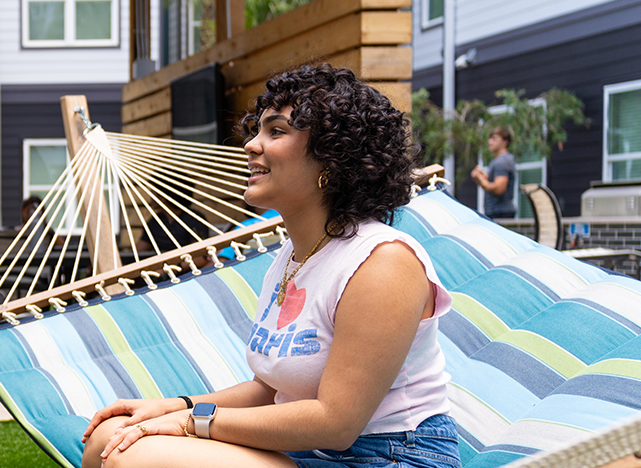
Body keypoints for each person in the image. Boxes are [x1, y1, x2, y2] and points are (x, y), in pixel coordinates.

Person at [80, 65, 458, 468]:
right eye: (257, 131)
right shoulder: (292, 258)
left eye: (275, 132)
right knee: (112, 435)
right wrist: (171, 407)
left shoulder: (383, 263)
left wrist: (190, 422)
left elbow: (336, 423)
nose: (251, 146)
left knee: (138, 458)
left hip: (389, 457)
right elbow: (270, 390)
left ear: (332, 158)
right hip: (310, 451)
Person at [470, 127, 516, 219]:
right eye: (490, 139)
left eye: (494, 139)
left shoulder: (502, 162)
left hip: (501, 214)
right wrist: (481, 178)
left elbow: (499, 189)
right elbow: (492, 185)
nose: (490, 142)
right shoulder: (498, 161)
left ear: (505, 142)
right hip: (496, 212)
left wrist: (483, 181)